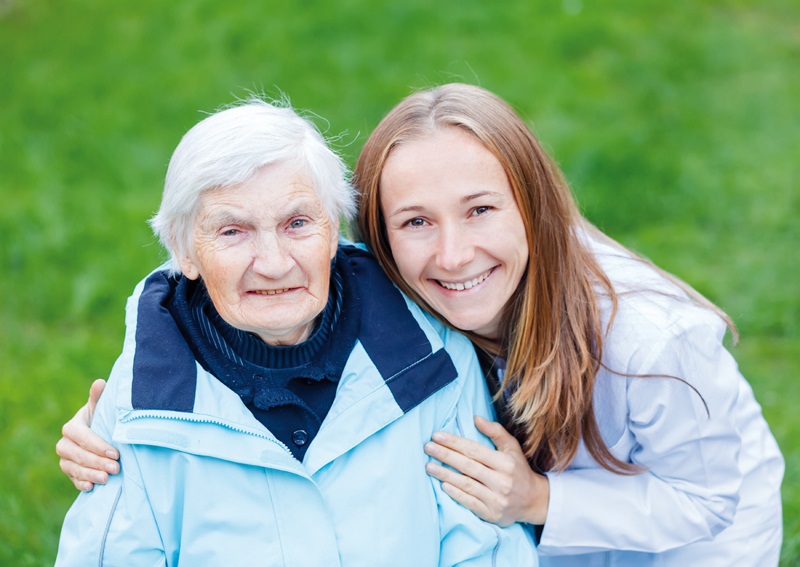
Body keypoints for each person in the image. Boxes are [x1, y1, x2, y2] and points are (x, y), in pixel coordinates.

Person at [58, 84, 784, 565]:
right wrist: (128, 421)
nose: (453, 252)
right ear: (370, 235)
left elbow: (710, 501)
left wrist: (540, 500)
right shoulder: (405, 296)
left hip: (696, 537)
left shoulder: (649, 341)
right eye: (414, 221)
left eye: (481, 210)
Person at [53, 97, 538, 566]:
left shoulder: (432, 357)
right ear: (184, 252)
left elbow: (487, 550)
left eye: (297, 223)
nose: (274, 263)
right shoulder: (140, 409)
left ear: (333, 232)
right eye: (232, 231)